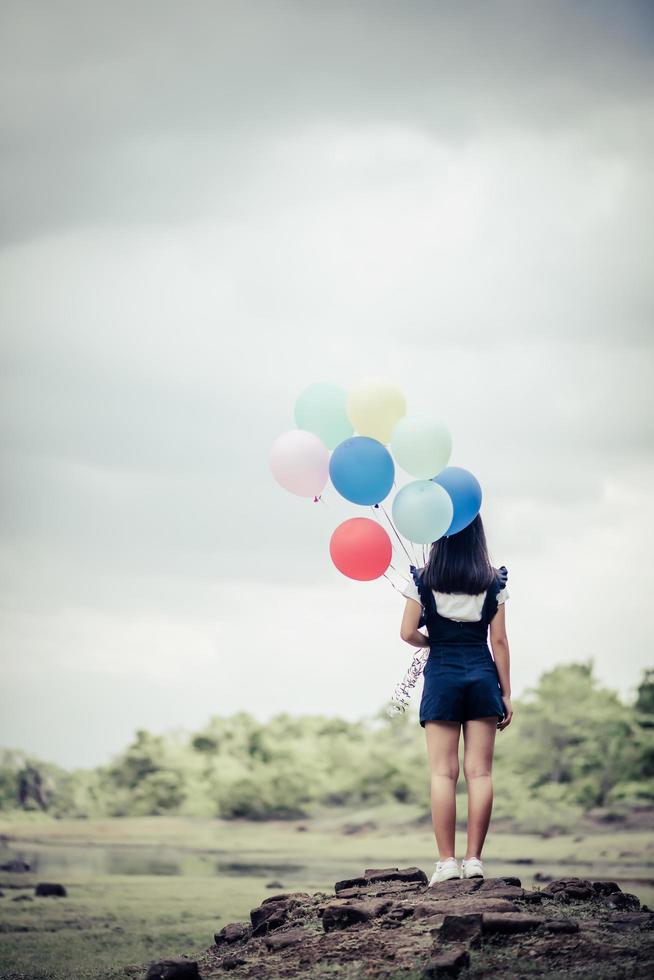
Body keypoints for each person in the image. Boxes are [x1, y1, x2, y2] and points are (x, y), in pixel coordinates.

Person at [399, 513, 513, 886]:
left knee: (442, 773)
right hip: (482, 675)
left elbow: (406, 633)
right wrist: (506, 693)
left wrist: (432, 642)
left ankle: (446, 862)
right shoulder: (493, 580)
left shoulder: (424, 578)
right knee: (479, 772)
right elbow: (498, 641)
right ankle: (474, 860)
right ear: (477, 533)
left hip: (443, 675)